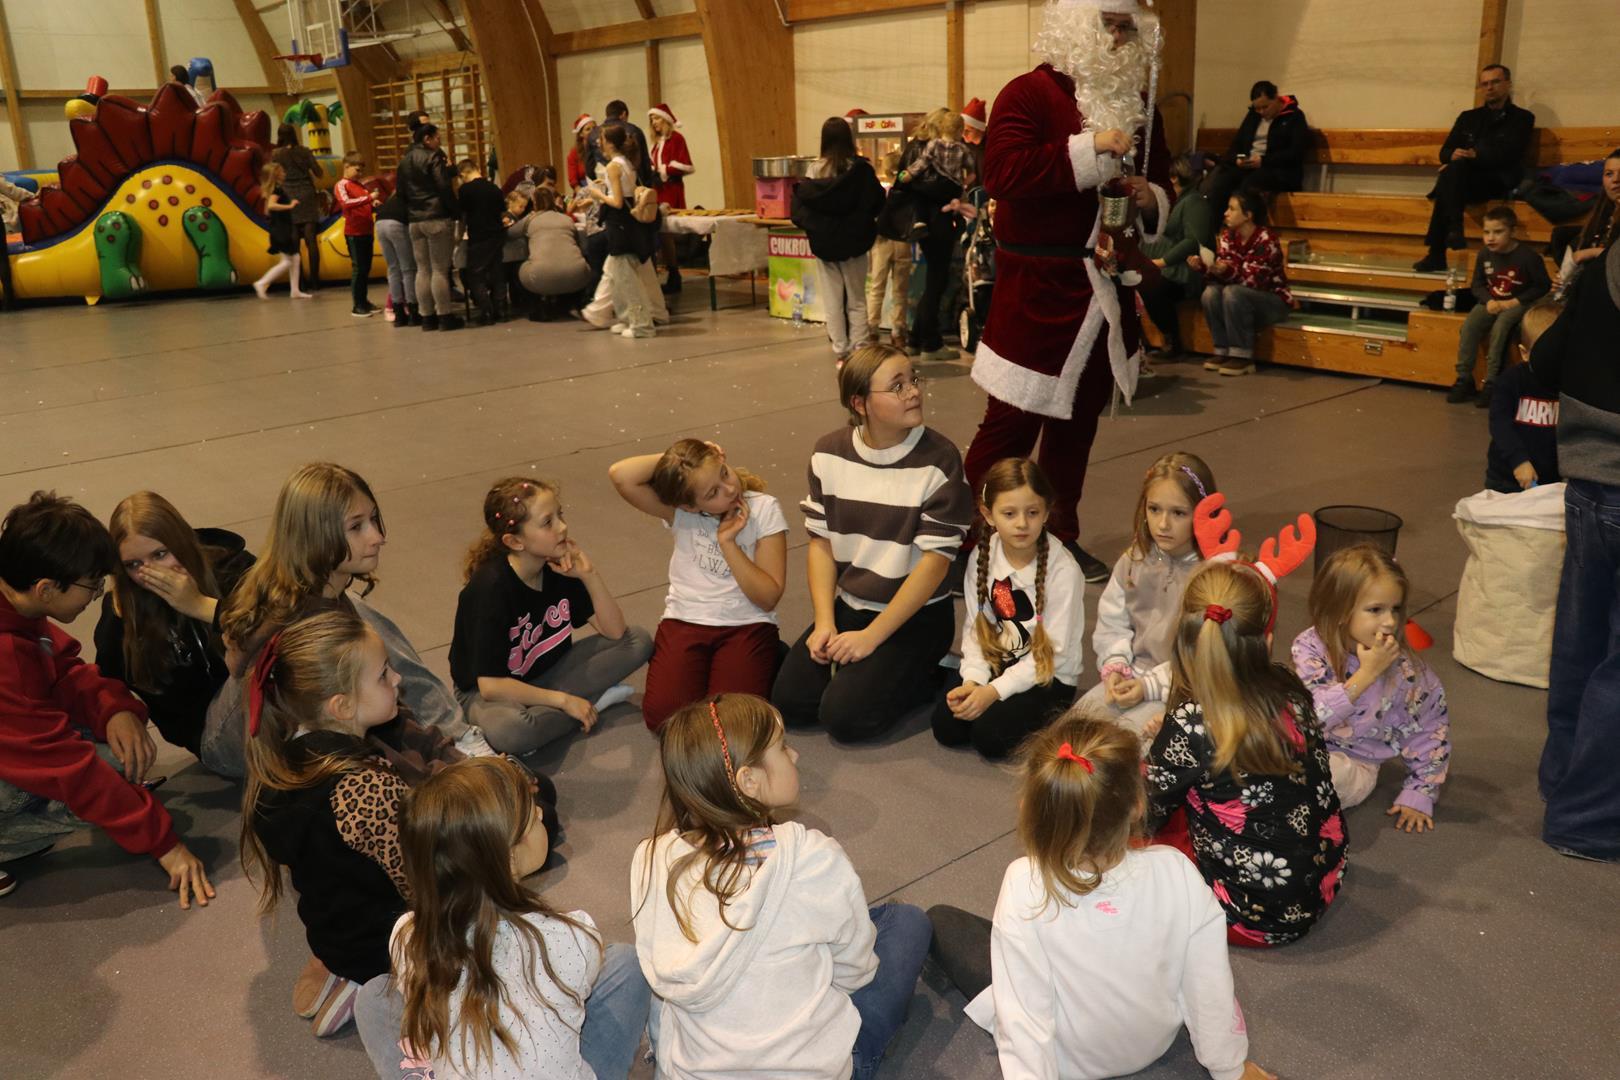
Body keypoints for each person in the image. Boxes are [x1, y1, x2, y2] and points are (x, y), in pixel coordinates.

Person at [927, 714, 1275, 1080]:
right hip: (1152, 1042)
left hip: (1070, 1061)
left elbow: (1023, 1016)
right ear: (1137, 805)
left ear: (1034, 807)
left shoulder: (1023, 883)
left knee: (942, 921)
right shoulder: (1177, 871)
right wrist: (1231, 1068)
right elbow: (1209, 984)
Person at [962, 0, 1174, 586]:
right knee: (1008, 428)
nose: (1118, 37)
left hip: (1104, 292)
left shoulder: (1142, 104)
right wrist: (1090, 149)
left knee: (1076, 430)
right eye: (1108, 23)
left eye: (1127, 27)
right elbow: (1002, 173)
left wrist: (1151, 196)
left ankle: (1058, 536)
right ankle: (969, 536)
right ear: (1076, 24)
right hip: (1037, 292)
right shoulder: (1028, 94)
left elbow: (1162, 179)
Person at [632, 693, 932, 1080]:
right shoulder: (814, 859)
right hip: (807, 1071)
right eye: (783, 747)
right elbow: (855, 973)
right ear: (749, 781)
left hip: (694, 1071)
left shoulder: (652, 858)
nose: (796, 755)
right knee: (907, 922)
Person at [242, 609, 465, 1041]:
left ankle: (350, 976)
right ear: (342, 706)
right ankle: (381, 986)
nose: (397, 679)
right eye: (383, 675)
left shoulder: (280, 766)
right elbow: (420, 882)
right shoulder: (365, 788)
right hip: (386, 948)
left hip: (334, 938)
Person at [356, 757, 650, 1080]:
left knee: (373, 996)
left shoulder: (406, 935)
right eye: (532, 818)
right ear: (507, 858)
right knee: (625, 963)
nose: (541, 814)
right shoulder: (571, 936)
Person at [1143, 498, 1347, 946]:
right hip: (1322, 883)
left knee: (1135, 832)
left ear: (1185, 643)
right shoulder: (1290, 689)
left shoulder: (1190, 727)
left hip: (1247, 918)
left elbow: (1143, 814)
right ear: (1266, 639)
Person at [211, 463, 494, 780]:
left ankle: (458, 736)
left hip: (313, 726)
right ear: (316, 536)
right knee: (367, 643)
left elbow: (390, 712)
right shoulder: (307, 626)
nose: (377, 537)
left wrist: (448, 757)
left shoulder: (321, 588)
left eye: (373, 519)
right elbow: (365, 741)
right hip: (237, 749)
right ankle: (459, 737)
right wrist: (451, 775)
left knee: (369, 639)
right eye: (356, 526)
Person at [0, 492, 214, 904]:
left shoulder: (17, 603)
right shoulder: (6, 659)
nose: (97, 593)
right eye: (92, 585)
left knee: (121, 760)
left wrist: (114, 710)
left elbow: (63, 670)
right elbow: (68, 767)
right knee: (101, 782)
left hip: (18, 733)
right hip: (17, 745)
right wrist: (164, 844)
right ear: (46, 589)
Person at [772, 344, 974, 742]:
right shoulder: (828, 453)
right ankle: (871, 671)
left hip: (917, 616)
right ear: (859, 403)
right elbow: (821, 545)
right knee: (791, 704)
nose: (913, 392)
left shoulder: (940, 459)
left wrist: (872, 637)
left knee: (844, 719)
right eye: (897, 386)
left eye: (913, 379)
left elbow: (934, 565)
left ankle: (930, 672)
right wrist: (825, 622)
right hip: (851, 605)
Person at [1527, 247, 1620, 860]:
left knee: (1580, 643)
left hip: (1590, 480)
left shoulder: (1609, 258)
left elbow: (1545, 361)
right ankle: (1588, 817)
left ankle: (1565, 781)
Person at [450, 477, 653, 759]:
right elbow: (491, 685)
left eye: (560, 515)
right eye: (548, 523)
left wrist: (589, 575)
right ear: (515, 541)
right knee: (513, 731)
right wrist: (564, 700)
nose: (562, 527)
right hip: (490, 692)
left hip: (547, 673)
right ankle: (590, 701)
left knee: (639, 641)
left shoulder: (557, 567)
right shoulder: (489, 590)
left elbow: (617, 633)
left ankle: (562, 709)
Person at [609, 441, 788, 732]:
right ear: (689, 505)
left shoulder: (764, 508)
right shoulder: (681, 513)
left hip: (746, 623)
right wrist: (679, 462)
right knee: (664, 718)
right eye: (712, 493)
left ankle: (767, 656)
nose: (729, 489)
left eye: (724, 473)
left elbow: (768, 597)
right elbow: (621, 475)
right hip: (685, 621)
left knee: (731, 725)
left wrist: (728, 543)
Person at [933, 458, 1084, 760]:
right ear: (988, 514)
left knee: (990, 738)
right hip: (1001, 660)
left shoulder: (1063, 570)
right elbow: (977, 630)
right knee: (947, 727)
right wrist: (973, 680)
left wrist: (992, 692)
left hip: (1048, 673)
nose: (1022, 523)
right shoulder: (982, 555)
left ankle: (1055, 714)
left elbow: (1052, 654)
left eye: (1032, 512)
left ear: (1046, 512)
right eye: (1009, 513)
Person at [1293, 545, 1451, 832]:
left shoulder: (1407, 672)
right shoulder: (1310, 646)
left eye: (1396, 609)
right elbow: (1308, 718)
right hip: (1300, 744)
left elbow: (1430, 729)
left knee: (1324, 773)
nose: (1390, 621)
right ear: (1340, 610)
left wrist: (1421, 791)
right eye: (1375, 610)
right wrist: (1364, 677)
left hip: (1353, 765)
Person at [93, 492, 255, 757]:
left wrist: (201, 605)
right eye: (134, 564)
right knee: (255, 670)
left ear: (181, 543)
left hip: (269, 712)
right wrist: (119, 711)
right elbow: (104, 680)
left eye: (160, 554)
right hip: (214, 735)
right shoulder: (122, 610)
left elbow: (280, 623)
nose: (150, 572)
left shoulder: (232, 566)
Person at [1077, 451, 1216, 737]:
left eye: (1178, 513)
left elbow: (1205, 656)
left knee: (1126, 744)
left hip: (1182, 690)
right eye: (1154, 509)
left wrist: (1149, 686)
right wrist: (1115, 665)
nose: (1163, 524)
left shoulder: (1213, 576)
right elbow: (1113, 622)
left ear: (1203, 513)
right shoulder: (1134, 560)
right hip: (1131, 674)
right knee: (1071, 734)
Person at [1414, 64, 1535, 272]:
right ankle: (1453, 230)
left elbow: (1510, 154)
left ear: (1508, 84)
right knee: (1452, 172)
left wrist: (1474, 156)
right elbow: (1444, 152)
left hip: (1498, 180)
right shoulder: (1468, 117)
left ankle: (1439, 251)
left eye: (1495, 82)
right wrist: (1453, 156)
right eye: (1485, 84)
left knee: (1449, 177)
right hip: (1465, 180)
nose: (1490, 88)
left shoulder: (1522, 118)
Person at [790, 116, 887, 365]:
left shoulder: (814, 170)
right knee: (857, 298)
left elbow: (800, 209)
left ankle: (841, 351)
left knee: (832, 299)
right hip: (855, 242)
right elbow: (877, 202)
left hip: (825, 243)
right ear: (849, 138)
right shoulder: (861, 170)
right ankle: (860, 346)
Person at [1445, 205, 1551, 405]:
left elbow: (1542, 285)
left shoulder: (1528, 257)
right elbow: (1477, 284)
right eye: (1486, 232)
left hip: (1518, 302)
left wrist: (1514, 301)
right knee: (1469, 326)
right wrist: (1489, 300)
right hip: (1492, 301)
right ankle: (1464, 378)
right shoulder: (1484, 254)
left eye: (1498, 232)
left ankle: (1493, 381)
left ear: (1512, 231)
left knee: (1501, 327)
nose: (1491, 238)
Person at [901, 107, 974, 360]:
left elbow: (906, 180)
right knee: (936, 282)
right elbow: (935, 187)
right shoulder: (934, 150)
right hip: (938, 221)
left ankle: (915, 339)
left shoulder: (918, 147)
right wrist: (955, 188)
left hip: (923, 223)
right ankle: (930, 344)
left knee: (933, 281)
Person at [1194, 190, 1293, 376]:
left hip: (1272, 301)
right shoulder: (1227, 236)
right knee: (1210, 293)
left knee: (1233, 293)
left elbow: (1252, 281)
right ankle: (1222, 350)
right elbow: (1223, 276)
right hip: (1241, 297)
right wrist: (1206, 268)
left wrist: (1225, 270)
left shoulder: (1266, 239)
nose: (1226, 213)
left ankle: (1242, 355)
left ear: (1248, 215)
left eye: (1232, 209)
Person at [579, 124, 659, 339]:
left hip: (620, 225)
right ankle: (625, 318)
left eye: (601, 139)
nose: (598, 142)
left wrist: (597, 195)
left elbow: (617, 202)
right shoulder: (627, 162)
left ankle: (642, 325)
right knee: (614, 274)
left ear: (609, 143)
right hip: (626, 224)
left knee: (626, 279)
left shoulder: (613, 166)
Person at [1139, 153, 1217, 358]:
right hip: (1166, 270)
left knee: (1152, 286)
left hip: (1185, 272)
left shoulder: (1194, 202)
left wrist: (1161, 262)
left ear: (1173, 177)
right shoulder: (1172, 202)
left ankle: (1172, 340)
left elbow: (1193, 241)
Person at [1485, 300, 1562, 492]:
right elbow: (1500, 424)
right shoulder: (1511, 381)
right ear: (1525, 353)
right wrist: (1519, 460)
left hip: (1550, 478)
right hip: (1507, 476)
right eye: (1547, 356)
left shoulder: (1568, 384)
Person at [1203, 80, 1309, 214]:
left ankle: (1245, 224)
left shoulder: (1294, 116)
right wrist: (1238, 159)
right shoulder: (1253, 116)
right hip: (1250, 166)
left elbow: (1296, 153)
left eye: (1265, 107)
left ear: (1276, 98)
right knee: (1222, 183)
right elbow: (1237, 143)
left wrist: (1263, 161)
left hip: (1278, 170)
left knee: (1249, 186)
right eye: (1257, 108)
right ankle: (1217, 226)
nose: (1261, 112)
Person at [398, 122, 462, 331]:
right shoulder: (433, 157)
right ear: (427, 139)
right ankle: (445, 316)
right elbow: (443, 186)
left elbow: (400, 193)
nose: (439, 142)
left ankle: (427, 317)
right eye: (437, 138)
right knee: (440, 270)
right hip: (436, 218)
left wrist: (411, 213)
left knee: (422, 270)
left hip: (415, 221)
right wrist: (455, 211)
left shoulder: (404, 161)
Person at [515, 187, 592, 321]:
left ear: (534, 203)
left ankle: (537, 307)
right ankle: (571, 304)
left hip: (539, 277)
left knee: (521, 267)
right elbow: (579, 245)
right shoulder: (567, 219)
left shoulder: (530, 220)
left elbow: (510, 233)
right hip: (576, 275)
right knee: (576, 262)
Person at [1552, 149, 1620, 298]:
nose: (1616, 179)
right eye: (1609, 174)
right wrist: (1564, 280)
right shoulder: (1603, 212)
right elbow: (1579, 250)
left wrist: (1589, 253)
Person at [866, 151, 914, 353]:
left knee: (877, 287)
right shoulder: (908, 190)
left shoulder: (880, 190)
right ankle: (898, 331)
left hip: (882, 241)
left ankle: (872, 329)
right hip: (902, 241)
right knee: (900, 290)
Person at [272, 122, 326, 290]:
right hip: (307, 194)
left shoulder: (276, 154)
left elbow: (272, 176)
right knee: (311, 239)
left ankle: (300, 282)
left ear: (280, 136)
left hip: (288, 196)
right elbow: (319, 173)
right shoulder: (304, 151)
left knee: (294, 241)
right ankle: (315, 281)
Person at [648, 103, 693, 294]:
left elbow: (686, 165)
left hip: (671, 190)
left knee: (667, 232)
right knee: (662, 233)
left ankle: (674, 274)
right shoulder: (657, 143)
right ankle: (671, 272)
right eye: (652, 119)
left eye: (657, 118)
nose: (654, 122)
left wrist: (664, 170)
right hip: (658, 189)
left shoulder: (677, 139)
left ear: (665, 119)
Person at [457, 158, 507, 326]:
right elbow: (501, 213)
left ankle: (486, 311)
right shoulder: (494, 188)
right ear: (477, 168)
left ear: (463, 174)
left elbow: (463, 216)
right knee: (497, 272)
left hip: (479, 236)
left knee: (475, 275)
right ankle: (501, 309)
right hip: (497, 235)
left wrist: (459, 235)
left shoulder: (465, 190)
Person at [252, 163, 312, 300]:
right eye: (282, 171)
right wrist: (289, 206)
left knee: (295, 258)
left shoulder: (274, 190)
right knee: (287, 261)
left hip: (280, 228)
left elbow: (268, 209)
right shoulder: (277, 190)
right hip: (281, 230)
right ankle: (262, 283)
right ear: (276, 175)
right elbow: (272, 206)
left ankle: (295, 290)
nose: (285, 173)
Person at [333, 151, 380, 317]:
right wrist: (369, 199)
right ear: (346, 166)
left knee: (366, 268)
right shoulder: (341, 185)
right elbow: (346, 203)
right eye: (357, 170)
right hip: (354, 233)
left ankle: (364, 300)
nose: (360, 173)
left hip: (367, 230)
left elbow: (364, 203)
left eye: (362, 170)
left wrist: (373, 203)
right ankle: (357, 305)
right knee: (358, 269)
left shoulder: (360, 186)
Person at [373, 187, 418, 327]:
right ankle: (413, 312)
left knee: (393, 269)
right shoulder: (412, 196)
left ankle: (398, 313)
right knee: (408, 269)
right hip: (397, 224)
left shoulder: (391, 199)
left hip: (379, 223)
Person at [585, 101, 656, 187]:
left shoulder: (593, 134)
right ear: (624, 114)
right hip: (633, 183)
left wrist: (599, 182)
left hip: (605, 183)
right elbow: (644, 162)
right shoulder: (634, 131)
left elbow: (589, 166)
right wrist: (647, 185)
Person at [566, 113, 595, 190]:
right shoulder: (574, 153)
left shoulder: (601, 148)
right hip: (583, 190)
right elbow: (573, 181)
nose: (592, 131)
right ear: (581, 134)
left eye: (594, 128)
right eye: (588, 129)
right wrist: (583, 193)